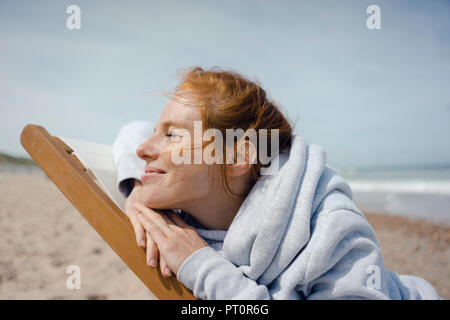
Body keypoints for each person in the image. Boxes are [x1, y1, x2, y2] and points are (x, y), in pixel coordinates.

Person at [113, 66, 441, 300]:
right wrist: (136, 187)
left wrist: (205, 269)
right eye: (156, 132)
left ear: (237, 158)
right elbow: (132, 132)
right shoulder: (191, 204)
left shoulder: (327, 224)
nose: (143, 150)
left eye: (170, 134)